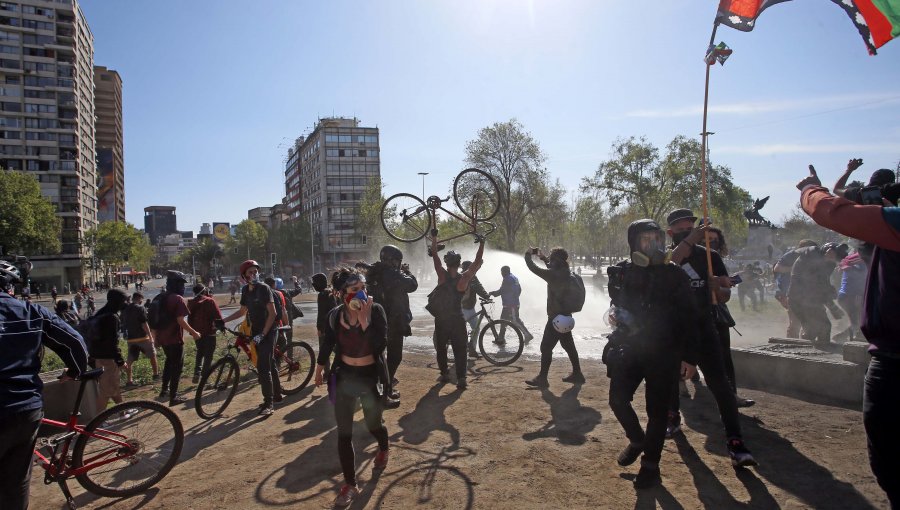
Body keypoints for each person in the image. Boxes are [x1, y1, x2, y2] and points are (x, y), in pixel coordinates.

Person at [797, 164, 900, 508]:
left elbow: (832, 211)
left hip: (895, 359)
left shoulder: (894, 221)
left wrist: (811, 188)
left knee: (890, 463)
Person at [605, 219, 700, 488]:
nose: (654, 245)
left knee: (657, 413)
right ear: (634, 244)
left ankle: (650, 466)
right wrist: (617, 317)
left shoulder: (675, 274)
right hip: (630, 349)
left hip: (664, 353)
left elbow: (691, 319)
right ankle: (637, 440)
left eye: (657, 239)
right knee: (617, 400)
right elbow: (617, 305)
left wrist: (690, 358)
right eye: (646, 240)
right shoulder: (622, 272)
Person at [664, 208, 757, 467]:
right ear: (671, 232)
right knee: (670, 378)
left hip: (705, 327)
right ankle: (672, 418)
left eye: (691, 227)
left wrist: (719, 286)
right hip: (675, 330)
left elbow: (725, 294)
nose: (688, 232)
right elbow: (674, 259)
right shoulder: (667, 257)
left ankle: (735, 441)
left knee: (721, 385)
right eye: (682, 229)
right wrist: (692, 238)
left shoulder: (710, 257)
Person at [0, 258, 89, 510]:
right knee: (15, 482)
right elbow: (75, 343)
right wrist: (74, 371)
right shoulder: (30, 311)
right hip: (24, 408)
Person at [313, 268, 390, 508]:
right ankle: (350, 484)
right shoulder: (335, 316)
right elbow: (328, 342)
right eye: (354, 290)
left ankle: (384, 448)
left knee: (373, 423)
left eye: (363, 289)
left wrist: (366, 323)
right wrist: (319, 367)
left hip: (368, 377)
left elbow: (381, 344)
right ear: (341, 293)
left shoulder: (375, 310)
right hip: (345, 376)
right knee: (344, 432)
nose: (361, 294)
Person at [221, 260, 282, 416]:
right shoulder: (245, 291)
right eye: (250, 272)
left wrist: (263, 334)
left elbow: (273, 314)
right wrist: (223, 321)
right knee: (270, 362)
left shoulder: (264, 288)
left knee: (263, 367)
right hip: (256, 331)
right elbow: (242, 312)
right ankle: (277, 394)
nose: (254, 274)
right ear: (244, 276)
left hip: (269, 331)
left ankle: (269, 403)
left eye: (256, 271)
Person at [358, 245, 418, 401]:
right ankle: (386, 390)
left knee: (379, 356)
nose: (398, 264)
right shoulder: (393, 274)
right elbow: (412, 285)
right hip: (393, 322)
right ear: (392, 260)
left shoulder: (374, 272)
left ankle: (379, 388)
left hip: (377, 321)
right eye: (397, 261)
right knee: (394, 357)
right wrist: (407, 272)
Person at [429, 235, 486, 390]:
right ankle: (461, 378)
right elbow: (477, 261)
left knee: (441, 348)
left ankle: (444, 373)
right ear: (460, 264)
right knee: (460, 349)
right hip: (457, 318)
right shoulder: (465, 278)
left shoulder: (441, 275)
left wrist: (434, 237)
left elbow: (434, 254)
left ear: (447, 264)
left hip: (442, 319)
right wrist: (482, 243)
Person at [524, 246, 584, 387]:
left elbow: (532, 268)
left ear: (555, 259)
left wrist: (528, 254)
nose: (550, 259)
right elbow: (553, 269)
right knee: (568, 346)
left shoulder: (553, 275)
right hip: (567, 317)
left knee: (545, 348)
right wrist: (543, 258)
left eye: (551, 256)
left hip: (555, 319)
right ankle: (577, 374)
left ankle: (542, 379)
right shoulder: (566, 272)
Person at [153, 271, 201, 407]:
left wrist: (155, 339)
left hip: (163, 339)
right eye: (182, 284)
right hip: (174, 339)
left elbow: (154, 321)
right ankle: (173, 397)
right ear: (176, 284)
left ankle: (164, 390)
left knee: (169, 363)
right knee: (177, 368)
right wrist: (194, 332)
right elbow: (181, 320)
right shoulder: (177, 299)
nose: (183, 287)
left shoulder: (160, 297)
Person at [788, 242, 849, 346]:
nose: (832, 259)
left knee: (820, 328)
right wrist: (831, 305)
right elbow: (814, 286)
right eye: (832, 255)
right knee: (819, 327)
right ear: (827, 250)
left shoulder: (828, 264)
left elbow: (822, 285)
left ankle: (820, 353)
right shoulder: (811, 255)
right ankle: (806, 353)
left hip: (810, 300)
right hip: (799, 299)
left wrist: (830, 298)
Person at [89, 289, 129, 415]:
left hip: (97, 356)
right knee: (106, 391)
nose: (126, 303)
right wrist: (120, 361)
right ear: (118, 301)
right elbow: (112, 343)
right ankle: (97, 420)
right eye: (124, 300)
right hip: (108, 359)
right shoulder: (112, 317)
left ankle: (122, 412)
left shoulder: (101, 313)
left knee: (113, 386)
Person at [773, 240, 819, 338]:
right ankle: (791, 344)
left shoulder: (813, 257)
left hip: (805, 293)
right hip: (788, 292)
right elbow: (777, 268)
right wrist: (795, 268)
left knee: (807, 320)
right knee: (795, 321)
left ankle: (804, 342)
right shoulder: (791, 255)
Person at [489, 265, 534, 344]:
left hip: (511, 305)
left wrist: (493, 293)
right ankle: (501, 339)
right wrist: (515, 298)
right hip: (511, 303)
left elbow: (501, 291)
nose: (501, 274)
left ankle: (527, 335)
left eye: (502, 272)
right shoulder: (514, 277)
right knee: (503, 320)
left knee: (515, 320)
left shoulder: (507, 279)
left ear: (504, 272)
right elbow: (520, 289)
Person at [188, 284, 223, 384]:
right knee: (208, 356)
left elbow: (189, 319)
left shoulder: (191, 303)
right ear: (204, 291)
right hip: (209, 333)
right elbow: (218, 316)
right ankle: (205, 378)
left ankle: (197, 373)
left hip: (197, 333)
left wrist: (192, 332)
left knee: (200, 352)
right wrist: (221, 328)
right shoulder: (209, 301)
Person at [122, 292, 159, 387]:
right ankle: (156, 375)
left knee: (130, 360)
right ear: (138, 298)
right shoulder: (140, 308)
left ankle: (129, 381)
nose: (142, 301)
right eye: (141, 299)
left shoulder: (126, 309)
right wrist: (150, 336)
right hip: (143, 337)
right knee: (152, 355)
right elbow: (144, 324)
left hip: (131, 339)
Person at [461, 260, 492, 357]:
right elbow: (479, 287)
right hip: (464, 308)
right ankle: (468, 349)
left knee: (473, 327)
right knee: (470, 328)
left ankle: (470, 348)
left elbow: (478, 287)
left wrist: (486, 296)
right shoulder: (468, 277)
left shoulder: (466, 276)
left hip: (465, 307)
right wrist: (486, 296)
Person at [834, 251, 866, 342]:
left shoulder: (848, 260)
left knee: (856, 320)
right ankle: (853, 341)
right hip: (852, 296)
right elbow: (860, 281)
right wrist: (859, 295)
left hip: (845, 295)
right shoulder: (860, 262)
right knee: (858, 320)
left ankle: (843, 337)